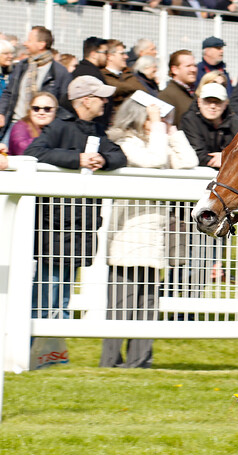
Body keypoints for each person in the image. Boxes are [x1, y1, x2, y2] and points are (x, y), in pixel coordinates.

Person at [101, 98, 198, 368]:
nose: (156, 121)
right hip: (129, 235)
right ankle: (110, 361)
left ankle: (140, 361)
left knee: (148, 304)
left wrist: (172, 131)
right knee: (122, 304)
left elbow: (189, 161)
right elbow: (153, 161)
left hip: (155, 236)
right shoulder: (125, 142)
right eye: (152, 116)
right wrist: (158, 128)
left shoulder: (156, 139)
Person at [24, 76, 127, 321]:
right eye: (100, 97)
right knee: (47, 297)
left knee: (64, 298)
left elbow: (118, 156)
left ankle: (51, 353)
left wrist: (103, 160)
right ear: (85, 100)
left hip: (80, 227)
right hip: (56, 226)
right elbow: (34, 152)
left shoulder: (97, 130)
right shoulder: (59, 125)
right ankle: (32, 350)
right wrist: (77, 159)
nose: (105, 101)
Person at [0, 26, 70, 143]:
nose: (25, 43)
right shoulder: (22, 66)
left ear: (41, 44)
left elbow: (64, 103)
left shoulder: (59, 72)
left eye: (29, 40)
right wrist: (1, 112)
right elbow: (9, 92)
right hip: (15, 124)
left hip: (43, 129)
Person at [181, 82, 238, 169]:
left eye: (218, 102)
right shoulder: (189, 120)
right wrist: (227, 158)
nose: (212, 106)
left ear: (225, 104)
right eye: (208, 101)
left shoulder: (235, 122)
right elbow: (197, 154)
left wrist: (224, 157)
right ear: (199, 102)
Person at [101, 39, 145, 116]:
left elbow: (144, 92)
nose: (126, 56)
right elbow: (114, 89)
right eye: (122, 54)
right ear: (110, 56)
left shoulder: (130, 73)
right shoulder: (102, 75)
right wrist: (133, 91)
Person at [159, 49, 197, 126]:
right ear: (175, 70)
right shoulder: (167, 96)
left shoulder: (195, 93)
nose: (193, 69)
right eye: (188, 66)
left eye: (194, 65)